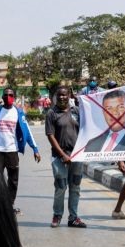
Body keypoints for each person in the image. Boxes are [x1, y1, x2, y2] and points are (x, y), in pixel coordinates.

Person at [0, 87, 41, 213]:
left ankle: (9, 205)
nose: (8, 97)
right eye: (5, 95)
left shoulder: (18, 112)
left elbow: (27, 131)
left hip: (12, 151)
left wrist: (35, 149)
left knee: (13, 180)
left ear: (14, 97)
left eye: (10, 95)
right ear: (2, 97)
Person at [45, 85, 87, 228]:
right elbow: (50, 135)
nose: (62, 97)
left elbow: (86, 128)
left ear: (69, 96)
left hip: (76, 156)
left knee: (75, 187)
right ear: (56, 96)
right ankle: (57, 215)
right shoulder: (52, 113)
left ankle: (73, 218)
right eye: (60, 95)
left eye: (65, 94)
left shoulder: (76, 111)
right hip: (59, 158)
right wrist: (62, 155)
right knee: (61, 186)